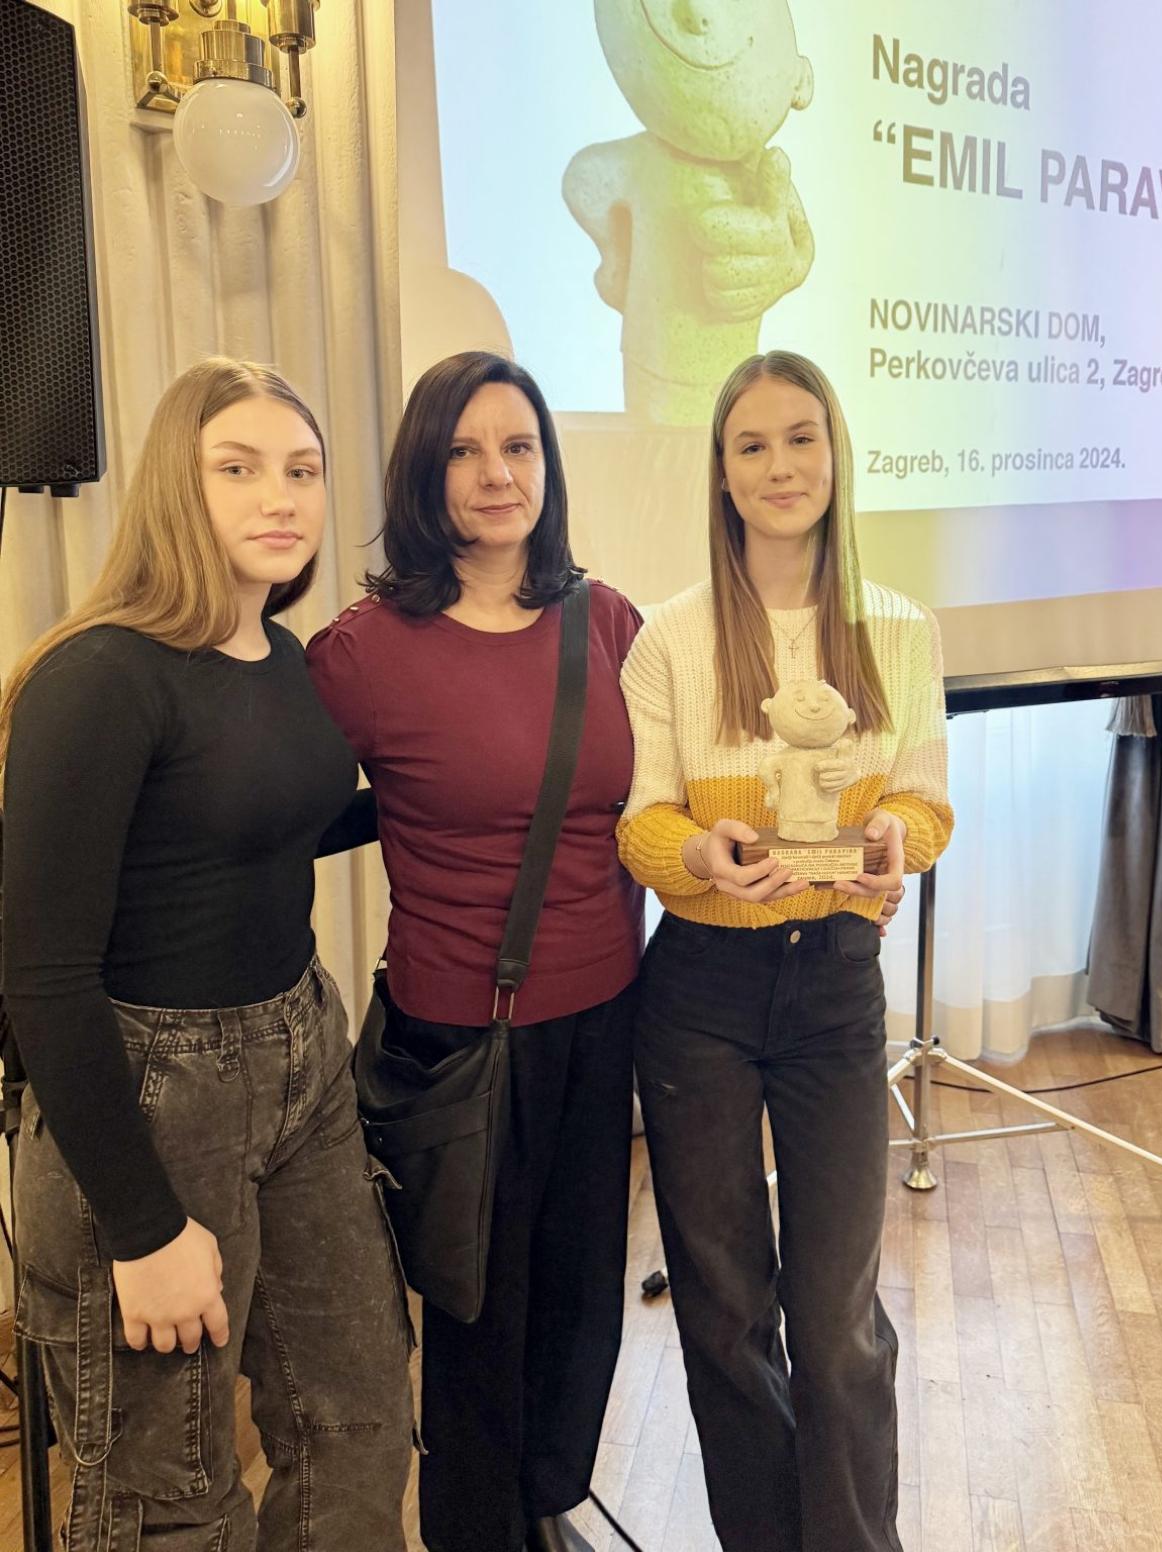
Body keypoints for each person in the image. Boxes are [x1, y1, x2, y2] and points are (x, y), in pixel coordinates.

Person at [1, 359, 412, 1551]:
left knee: (356, 1418)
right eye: (238, 468)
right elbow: (42, 976)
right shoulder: (99, 675)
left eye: (302, 470)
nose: (279, 496)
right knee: (167, 1490)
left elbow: (247, 829)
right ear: (176, 486)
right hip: (148, 1090)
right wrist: (141, 1227)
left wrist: (444, 800)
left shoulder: (279, 656)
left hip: (300, 1056)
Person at [306, 350, 643, 1552]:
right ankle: (474, 1530)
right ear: (424, 471)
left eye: (519, 446)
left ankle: (544, 1504)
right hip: (460, 1037)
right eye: (464, 450)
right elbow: (270, 799)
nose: (498, 474)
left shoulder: (605, 620)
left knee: (581, 1298)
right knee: (476, 1314)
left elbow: (659, 802)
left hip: (605, 1015)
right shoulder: (362, 652)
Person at [617, 350, 954, 1552]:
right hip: (699, 993)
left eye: (801, 437)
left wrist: (892, 838)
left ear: (836, 452)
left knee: (837, 1316)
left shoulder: (898, 630)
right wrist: (700, 855)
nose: (780, 465)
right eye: (751, 444)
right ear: (721, 472)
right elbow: (642, 823)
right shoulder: (669, 637)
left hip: (834, 988)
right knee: (722, 1312)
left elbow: (924, 804)